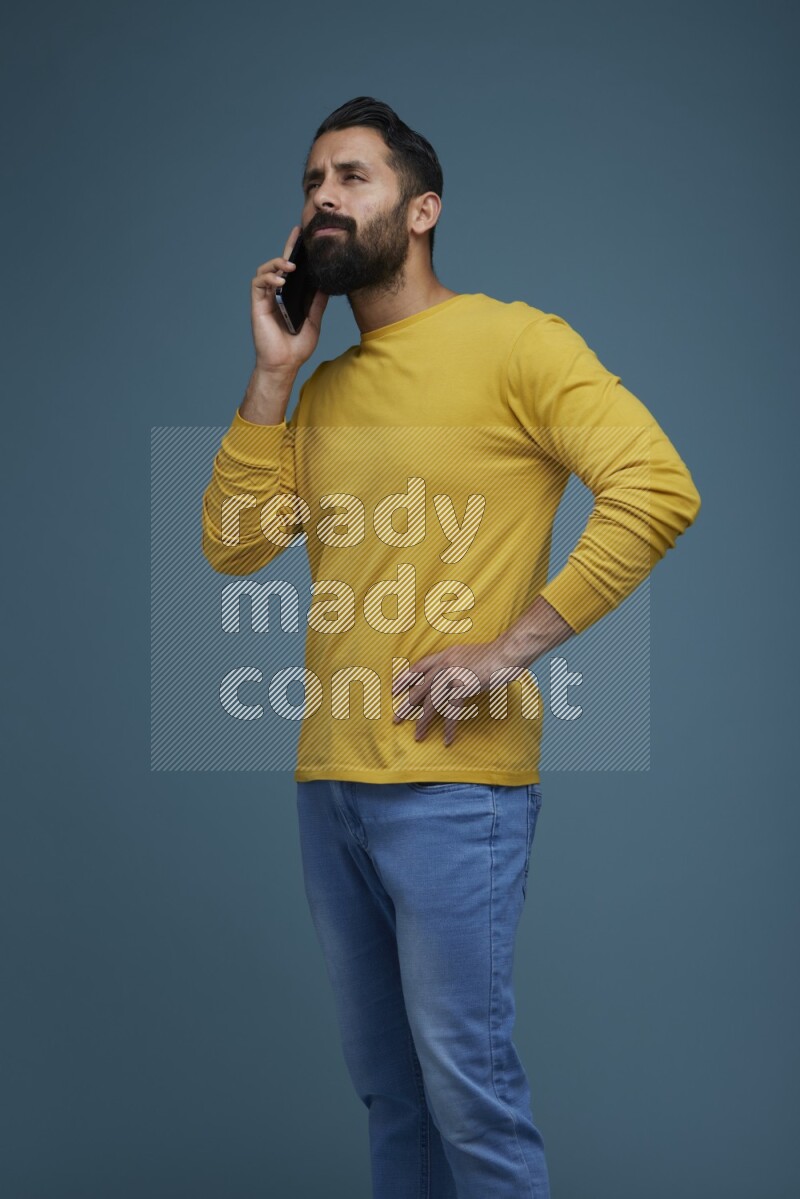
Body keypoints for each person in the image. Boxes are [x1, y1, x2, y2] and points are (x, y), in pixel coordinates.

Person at [201, 95, 701, 1198]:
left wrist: (508, 648)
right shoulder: (323, 391)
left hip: (452, 784)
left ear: (422, 210)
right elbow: (233, 545)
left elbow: (657, 487)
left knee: (467, 1091)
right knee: (393, 1094)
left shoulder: (518, 343)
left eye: (353, 176)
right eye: (312, 182)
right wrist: (275, 375)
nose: (323, 198)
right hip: (330, 782)